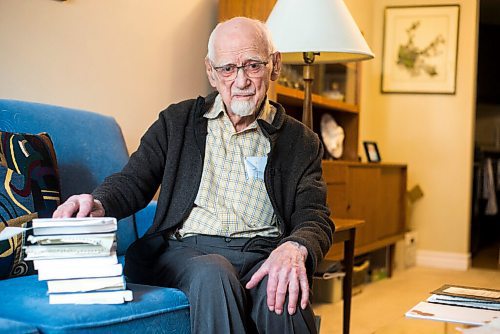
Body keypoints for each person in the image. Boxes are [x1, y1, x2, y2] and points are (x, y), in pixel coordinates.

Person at [53, 17, 334, 334]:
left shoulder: (301, 142)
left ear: (275, 65)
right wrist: (97, 202)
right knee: (214, 274)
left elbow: (314, 214)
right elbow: (133, 180)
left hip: (262, 253)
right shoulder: (177, 122)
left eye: (253, 65)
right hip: (186, 252)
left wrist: (295, 247)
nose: (240, 80)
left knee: (283, 291)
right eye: (227, 68)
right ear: (212, 73)